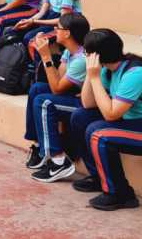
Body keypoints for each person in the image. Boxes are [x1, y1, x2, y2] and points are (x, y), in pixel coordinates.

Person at [70, 29, 142, 211]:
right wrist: (91, 76)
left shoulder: (135, 74)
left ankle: (120, 194)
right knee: (80, 117)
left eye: (87, 53)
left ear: (97, 56)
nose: (85, 56)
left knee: (99, 134)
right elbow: (88, 104)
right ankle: (99, 178)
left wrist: (94, 77)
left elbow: (111, 114)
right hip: (135, 122)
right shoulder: (109, 70)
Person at [25, 13, 91, 182]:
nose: (55, 30)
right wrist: (46, 54)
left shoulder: (81, 59)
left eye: (58, 28)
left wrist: (46, 56)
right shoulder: (69, 52)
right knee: (37, 89)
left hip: (88, 105)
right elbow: (59, 82)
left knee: (44, 102)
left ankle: (58, 161)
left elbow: (56, 88)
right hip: (75, 95)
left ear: (67, 33)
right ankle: (40, 148)